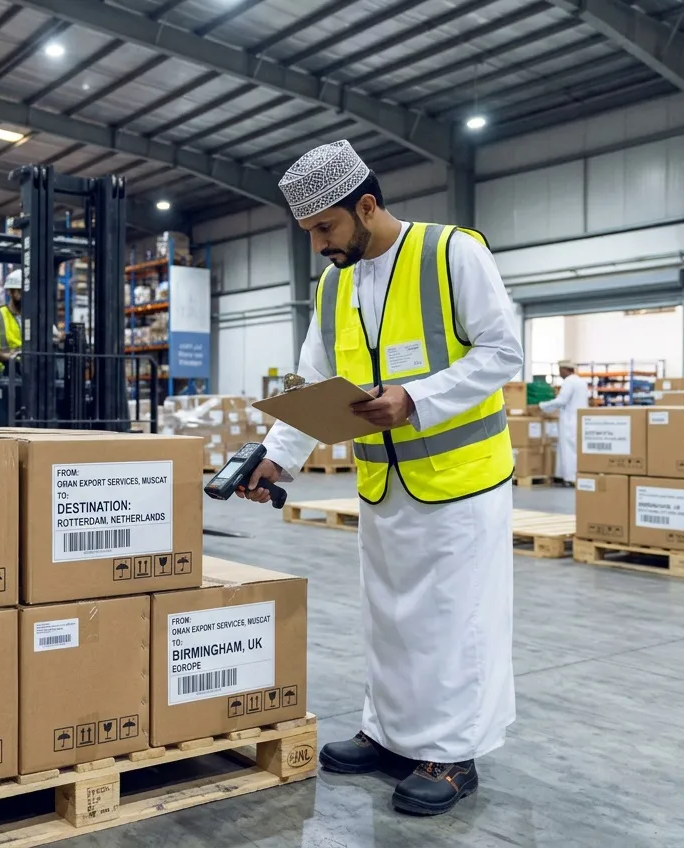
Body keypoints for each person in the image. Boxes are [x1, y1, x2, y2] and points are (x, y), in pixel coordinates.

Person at [238, 140, 522, 816]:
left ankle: (452, 755)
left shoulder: (452, 252)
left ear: (366, 206)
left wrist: (416, 397)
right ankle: (395, 736)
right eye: (308, 231)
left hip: (462, 479)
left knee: (456, 621)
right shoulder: (336, 283)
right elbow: (316, 381)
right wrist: (279, 455)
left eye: (324, 228)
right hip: (385, 482)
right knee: (391, 619)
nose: (317, 244)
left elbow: (503, 349)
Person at [539, 360, 590, 485]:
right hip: (579, 420)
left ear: (566, 370)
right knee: (575, 449)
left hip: (569, 421)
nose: (559, 373)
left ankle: (570, 478)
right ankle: (568, 475)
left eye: (560, 370)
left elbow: (562, 400)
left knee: (568, 450)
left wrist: (542, 406)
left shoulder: (569, 382)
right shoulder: (581, 381)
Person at [0, 270, 25, 376]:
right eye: (20, 291)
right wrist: (13, 358)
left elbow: (54, 336)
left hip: (31, 373)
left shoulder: (35, 316)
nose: (23, 296)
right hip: (5, 376)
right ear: (10, 292)